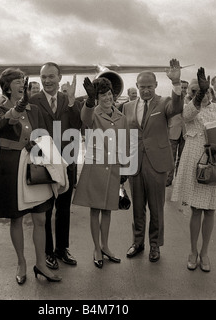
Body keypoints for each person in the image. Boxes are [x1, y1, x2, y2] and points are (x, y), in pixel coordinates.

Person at [0, 68, 61, 283]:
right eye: (17, 81)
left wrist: (53, 165)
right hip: (11, 169)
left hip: (36, 165)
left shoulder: (35, 109)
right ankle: (21, 262)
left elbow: (44, 136)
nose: (22, 83)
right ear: (7, 86)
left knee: (41, 218)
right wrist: (18, 108)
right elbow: (2, 124)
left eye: (23, 80)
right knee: (16, 219)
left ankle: (40, 263)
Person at [171, 67, 216, 272]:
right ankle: (192, 251)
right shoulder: (189, 109)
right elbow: (188, 115)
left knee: (210, 210)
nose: (198, 94)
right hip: (196, 162)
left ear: (211, 91)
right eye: (193, 91)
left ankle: (205, 252)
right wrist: (197, 95)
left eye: (202, 90)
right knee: (196, 209)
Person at [122, 59, 183, 262]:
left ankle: (155, 245)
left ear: (156, 85)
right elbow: (124, 134)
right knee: (138, 208)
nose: (146, 90)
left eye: (149, 86)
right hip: (135, 163)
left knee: (156, 208)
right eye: (142, 87)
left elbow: (176, 107)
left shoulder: (164, 102)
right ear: (137, 87)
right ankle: (138, 242)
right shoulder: (128, 107)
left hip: (157, 163)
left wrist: (176, 83)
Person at [29, 62, 82, 270]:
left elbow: (78, 125)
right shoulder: (33, 100)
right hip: (44, 164)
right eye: (44, 77)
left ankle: (62, 249)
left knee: (64, 209)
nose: (47, 81)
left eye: (51, 77)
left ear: (60, 78)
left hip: (67, 163)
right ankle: (48, 252)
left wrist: (71, 102)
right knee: (46, 211)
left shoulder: (69, 101)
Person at [72, 77, 129, 268]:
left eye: (109, 94)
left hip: (114, 168)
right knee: (95, 209)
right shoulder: (93, 114)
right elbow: (84, 118)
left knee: (108, 210)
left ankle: (106, 246)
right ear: (97, 97)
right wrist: (89, 101)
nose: (107, 98)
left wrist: (125, 169)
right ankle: (96, 248)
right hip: (95, 168)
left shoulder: (121, 117)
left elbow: (124, 143)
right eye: (103, 94)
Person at [166, 80, 188, 186]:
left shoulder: (189, 101)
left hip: (185, 132)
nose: (183, 90)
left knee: (182, 158)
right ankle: (168, 179)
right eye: (182, 87)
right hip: (173, 131)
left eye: (185, 88)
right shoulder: (171, 100)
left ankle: (179, 180)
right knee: (171, 157)